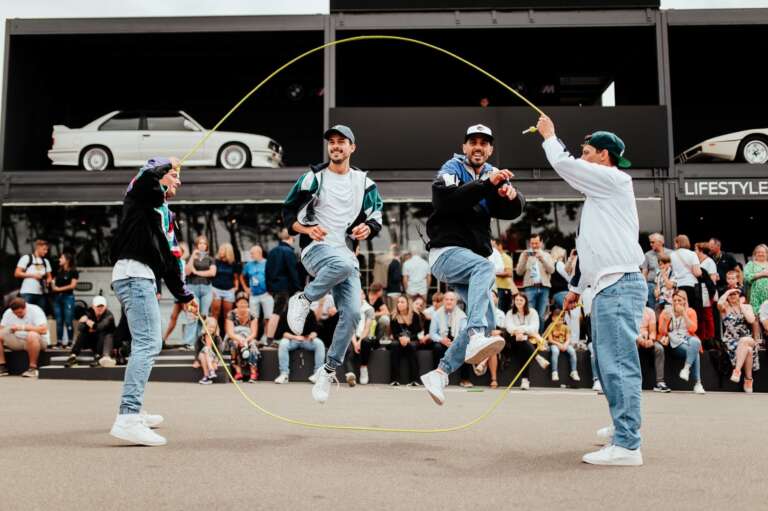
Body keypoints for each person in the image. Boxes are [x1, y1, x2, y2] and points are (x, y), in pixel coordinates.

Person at [536, 115, 646, 466]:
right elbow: (588, 251)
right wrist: (574, 288)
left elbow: (564, 165)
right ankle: (622, 429)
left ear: (603, 155)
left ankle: (627, 445)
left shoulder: (614, 179)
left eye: (586, 152)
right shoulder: (600, 196)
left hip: (618, 286)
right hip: (607, 287)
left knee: (618, 365)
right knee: (609, 363)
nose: (582, 157)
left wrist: (550, 136)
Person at [420, 124, 525, 405]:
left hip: (469, 259)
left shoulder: (493, 174)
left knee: (489, 319)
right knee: (484, 268)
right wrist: (487, 184)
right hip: (445, 252)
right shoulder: (452, 167)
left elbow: (513, 209)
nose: (478, 147)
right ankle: (476, 335)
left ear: (490, 149)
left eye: (484, 143)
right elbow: (444, 200)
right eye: (473, 142)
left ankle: (440, 373)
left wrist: (512, 197)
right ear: (465, 147)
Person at [283, 125, 383, 403]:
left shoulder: (364, 182)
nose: (336, 146)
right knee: (344, 265)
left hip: (346, 256)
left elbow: (376, 215)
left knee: (352, 315)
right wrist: (306, 229)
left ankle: (327, 371)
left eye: (342, 142)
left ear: (352, 147)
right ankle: (304, 299)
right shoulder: (312, 178)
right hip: (316, 250)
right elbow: (288, 213)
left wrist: (368, 228)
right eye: (332, 142)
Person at [108, 157, 198, 447]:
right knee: (148, 344)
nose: (179, 181)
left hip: (141, 277)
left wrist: (185, 296)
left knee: (146, 344)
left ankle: (133, 411)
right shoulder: (140, 195)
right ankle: (128, 417)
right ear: (160, 177)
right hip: (134, 275)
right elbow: (146, 175)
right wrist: (167, 163)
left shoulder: (164, 214)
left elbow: (171, 262)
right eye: (174, 175)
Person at [658, 291, 705, 395]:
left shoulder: (690, 311)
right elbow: (662, 332)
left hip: (688, 338)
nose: (676, 303)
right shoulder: (666, 312)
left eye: (679, 300)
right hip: (674, 341)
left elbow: (693, 329)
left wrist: (684, 313)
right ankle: (698, 383)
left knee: (696, 341)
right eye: (674, 300)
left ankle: (686, 368)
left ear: (685, 301)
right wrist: (665, 321)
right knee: (695, 352)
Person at [504, 292, 549, 390]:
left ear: (526, 301)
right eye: (516, 300)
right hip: (513, 341)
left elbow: (534, 328)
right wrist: (520, 331)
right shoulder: (510, 313)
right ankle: (537, 358)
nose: (518, 302)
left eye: (521, 300)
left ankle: (525, 381)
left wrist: (521, 330)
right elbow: (509, 328)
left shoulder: (533, 312)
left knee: (523, 347)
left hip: (529, 341)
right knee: (521, 341)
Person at [718, 288, 760, 393]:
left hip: (747, 338)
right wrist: (728, 291)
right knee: (748, 350)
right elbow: (719, 303)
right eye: (730, 294)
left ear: (740, 295)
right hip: (731, 339)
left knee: (744, 340)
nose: (732, 296)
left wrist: (741, 305)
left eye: (735, 294)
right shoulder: (725, 307)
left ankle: (737, 371)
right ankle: (749, 379)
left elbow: (751, 320)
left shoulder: (746, 306)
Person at [429, 291, 472, 387]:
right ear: (443, 301)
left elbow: (463, 333)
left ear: (455, 302)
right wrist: (441, 340)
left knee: (465, 348)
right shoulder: (436, 314)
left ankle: (465, 379)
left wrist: (455, 342)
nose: (449, 302)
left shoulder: (462, 315)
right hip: (442, 341)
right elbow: (432, 333)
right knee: (437, 347)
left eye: (451, 300)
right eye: (446, 299)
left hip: (456, 341)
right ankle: (438, 378)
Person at [265, 229, 301, 343]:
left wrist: (269, 287)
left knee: (279, 312)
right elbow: (293, 271)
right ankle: (270, 339)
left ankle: (275, 338)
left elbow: (267, 271)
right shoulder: (288, 252)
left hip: (274, 288)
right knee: (277, 312)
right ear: (291, 238)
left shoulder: (272, 251)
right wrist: (298, 288)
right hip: (284, 287)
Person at [0, 297, 50, 377]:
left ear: (25, 307)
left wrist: (22, 327)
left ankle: (32, 368)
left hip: (38, 341)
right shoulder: (8, 312)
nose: (18, 315)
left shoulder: (35, 310)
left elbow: (43, 330)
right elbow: (1, 329)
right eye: (15, 313)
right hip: (18, 340)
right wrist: (9, 330)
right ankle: (2, 367)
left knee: (32, 335)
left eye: (20, 312)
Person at [273, 308, 325, 384]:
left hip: (306, 339)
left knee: (319, 343)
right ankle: (284, 374)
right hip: (291, 340)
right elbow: (282, 333)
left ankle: (318, 374)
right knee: (283, 343)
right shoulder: (286, 313)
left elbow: (315, 330)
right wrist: (295, 337)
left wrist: (313, 334)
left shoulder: (310, 312)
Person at [516, 233, 555, 332]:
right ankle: (530, 338)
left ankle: (539, 338)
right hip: (530, 287)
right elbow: (519, 272)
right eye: (532, 243)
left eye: (536, 243)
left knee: (541, 315)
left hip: (544, 287)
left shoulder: (546, 255)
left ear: (541, 243)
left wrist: (542, 259)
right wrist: (524, 259)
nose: (534, 246)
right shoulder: (524, 254)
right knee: (529, 314)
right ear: (529, 243)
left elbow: (552, 270)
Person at [65, 296, 117, 368]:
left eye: (102, 306)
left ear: (105, 307)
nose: (100, 308)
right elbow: (80, 328)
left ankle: (103, 357)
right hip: (93, 341)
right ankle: (73, 356)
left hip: (106, 342)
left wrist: (87, 321)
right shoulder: (89, 313)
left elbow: (100, 327)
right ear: (93, 307)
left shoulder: (109, 315)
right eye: (98, 306)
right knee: (83, 334)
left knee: (106, 334)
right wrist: (89, 326)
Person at [183, 235, 216, 350]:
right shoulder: (189, 258)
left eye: (204, 243)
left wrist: (196, 272)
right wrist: (193, 256)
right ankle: (189, 342)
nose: (202, 245)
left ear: (207, 246)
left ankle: (200, 341)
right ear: (196, 245)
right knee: (193, 315)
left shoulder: (210, 259)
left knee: (204, 315)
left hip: (206, 289)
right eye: (200, 243)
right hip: (192, 288)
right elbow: (187, 272)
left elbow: (212, 273)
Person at [343, 290, 377, 386]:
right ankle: (351, 375)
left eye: (360, 294)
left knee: (365, 342)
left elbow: (367, 328)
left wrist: (359, 341)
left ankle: (363, 368)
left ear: (364, 296)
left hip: (365, 336)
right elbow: (350, 328)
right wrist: (355, 343)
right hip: (352, 336)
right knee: (348, 348)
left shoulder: (369, 309)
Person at [389, 295, 424, 386]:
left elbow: (418, 333)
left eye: (402, 302)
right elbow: (394, 333)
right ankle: (394, 379)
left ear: (408, 304)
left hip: (412, 339)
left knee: (412, 346)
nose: (399, 304)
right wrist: (400, 338)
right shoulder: (393, 316)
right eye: (398, 302)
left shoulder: (415, 315)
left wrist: (409, 339)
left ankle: (415, 379)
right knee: (394, 345)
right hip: (399, 340)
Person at [224, 294, 260, 382]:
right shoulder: (231, 314)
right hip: (235, 337)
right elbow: (230, 332)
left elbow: (254, 333)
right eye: (241, 303)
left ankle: (253, 371)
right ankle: (238, 372)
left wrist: (246, 340)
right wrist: (239, 339)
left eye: (245, 303)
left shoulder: (252, 314)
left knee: (252, 345)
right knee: (234, 344)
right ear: (236, 303)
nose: (243, 305)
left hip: (248, 337)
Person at [240, 245, 274, 335]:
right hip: (253, 295)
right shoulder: (248, 265)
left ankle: (267, 337)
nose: (251, 256)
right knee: (254, 318)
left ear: (259, 253)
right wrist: (245, 288)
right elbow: (241, 276)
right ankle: (253, 337)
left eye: (252, 254)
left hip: (266, 294)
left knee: (268, 317)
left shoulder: (268, 263)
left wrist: (271, 289)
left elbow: (274, 277)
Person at [636, 306, 670, 392]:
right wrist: (640, 339)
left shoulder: (649, 311)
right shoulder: (628, 310)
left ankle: (660, 382)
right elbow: (629, 330)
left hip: (647, 338)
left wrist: (651, 340)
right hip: (633, 338)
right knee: (633, 346)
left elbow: (652, 330)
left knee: (659, 349)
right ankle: (634, 382)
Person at [15, 239, 53, 311]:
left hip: (41, 293)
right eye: (44, 249)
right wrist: (33, 275)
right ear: (38, 247)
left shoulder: (45, 261)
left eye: (47, 250)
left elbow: (49, 277)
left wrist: (48, 281)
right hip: (27, 292)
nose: (46, 252)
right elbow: (17, 273)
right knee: (26, 313)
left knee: (40, 313)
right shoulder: (27, 258)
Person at [51, 252, 79, 348]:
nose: (59, 259)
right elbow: (53, 282)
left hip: (68, 297)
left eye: (61, 258)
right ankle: (59, 342)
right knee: (59, 321)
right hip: (57, 298)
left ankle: (70, 342)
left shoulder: (73, 271)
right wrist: (52, 285)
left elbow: (72, 285)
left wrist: (58, 289)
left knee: (68, 320)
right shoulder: (58, 271)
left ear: (67, 260)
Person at [546, 307, 580, 383]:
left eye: (562, 319)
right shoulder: (551, 327)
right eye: (558, 319)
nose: (560, 321)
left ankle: (574, 371)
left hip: (564, 344)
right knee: (555, 351)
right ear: (553, 318)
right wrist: (559, 344)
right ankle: (554, 371)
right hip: (555, 344)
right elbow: (550, 340)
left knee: (572, 351)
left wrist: (565, 345)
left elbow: (568, 339)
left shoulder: (566, 327)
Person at [670, 235, 702, 313]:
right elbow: (697, 273)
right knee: (692, 309)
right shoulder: (692, 254)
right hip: (691, 284)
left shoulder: (672, 255)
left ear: (677, 243)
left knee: (680, 309)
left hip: (678, 285)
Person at [210, 243, 240, 327]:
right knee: (215, 313)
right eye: (220, 250)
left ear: (228, 251)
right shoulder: (216, 262)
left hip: (228, 291)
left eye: (222, 250)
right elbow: (211, 275)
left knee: (228, 315)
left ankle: (228, 333)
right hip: (216, 289)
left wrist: (236, 287)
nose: (220, 252)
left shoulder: (233, 264)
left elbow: (236, 277)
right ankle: (214, 333)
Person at [641, 233, 669, 309]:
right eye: (650, 242)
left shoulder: (670, 253)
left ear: (660, 242)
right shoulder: (648, 255)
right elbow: (644, 271)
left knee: (666, 308)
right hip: (651, 285)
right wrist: (644, 286)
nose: (651, 244)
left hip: (666, 285)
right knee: (653, 308)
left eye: (653, 242)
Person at [491, 238, 516, 312]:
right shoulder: (492, 257)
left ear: (500, 246)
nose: (492, 248)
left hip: (503, 289)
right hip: (495, 289)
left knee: (501, 311)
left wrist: (492, 272)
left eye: (493, 246)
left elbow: (509, 273)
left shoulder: (506, 258)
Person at [744, 244, 768, 315]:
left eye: (763, 252)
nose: (760, 254)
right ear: (755, 254)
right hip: (756, 296)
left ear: (767, 253)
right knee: (757, 316)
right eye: (758, 252)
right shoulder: (751, 264)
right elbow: (746, 277)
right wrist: (762, 274)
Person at [196, 316, 221, 385]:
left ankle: (206, 376)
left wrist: (216, 361)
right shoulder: (201, 337)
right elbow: (197, 349)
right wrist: (196, 360)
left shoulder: (217, 337)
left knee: (205, 351)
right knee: (204, 351)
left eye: (213, 327)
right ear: (205, 326)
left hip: (212, 356)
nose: (211, 329)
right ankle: (211, 371)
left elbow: (219, 351)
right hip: (203, 354)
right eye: (210, 327)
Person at [549, 246, 570, 311]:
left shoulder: (549, 265)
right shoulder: (559, 264)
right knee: (570, 312)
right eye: (561, 256)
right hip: (563, 292)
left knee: (560, 314)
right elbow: (569, 277)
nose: (562, 258)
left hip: (554, 295)